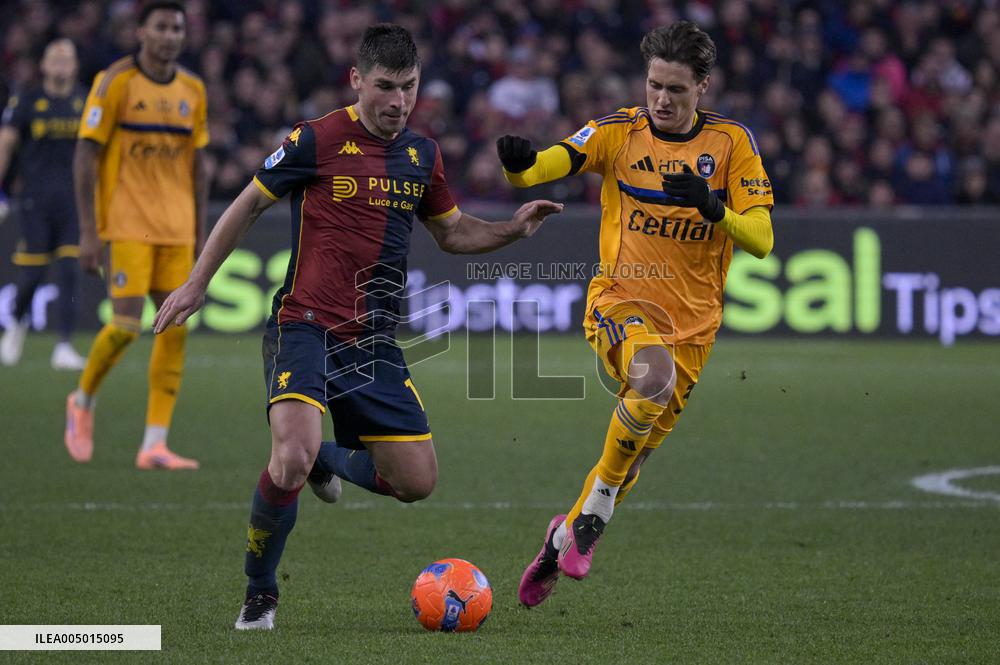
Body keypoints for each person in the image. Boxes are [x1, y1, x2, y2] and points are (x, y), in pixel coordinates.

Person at [152, 23, 562, 631]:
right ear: (357, 81)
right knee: (288, 456)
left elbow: (451, 232)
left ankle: (330, 461)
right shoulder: (314, 139)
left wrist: (513, 228)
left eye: (410, 87)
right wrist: (196, 282)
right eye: (386, 87)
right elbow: (247, 204)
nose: (399, 102)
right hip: (305, 324)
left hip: (373, 341)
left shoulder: (423, 155)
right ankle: (261, 594)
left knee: (416, 483)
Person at [497, 21, 775, 607]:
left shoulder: (731, 145)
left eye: (677, 89)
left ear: (703, 86)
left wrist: (713, 207)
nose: (663, 100)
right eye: (655, 85)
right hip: (620, 300)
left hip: (695, 327)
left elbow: (762, 239)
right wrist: (519, 165)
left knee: (638, 450)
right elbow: (548, 164)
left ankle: (561, 537)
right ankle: (591, 524)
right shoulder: (618, 132)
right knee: (652, 377)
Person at [65, 1, 207, 470]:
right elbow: (86, 155)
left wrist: (201, 234)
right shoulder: (116, 82)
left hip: (177, 226)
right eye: (161, 27)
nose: (170, 36)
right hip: (127, 222)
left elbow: (198, 164)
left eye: (177, 29)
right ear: (141, 32)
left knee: (174, 329)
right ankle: (82, 401)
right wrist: (89, 230)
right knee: (125, 326)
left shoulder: (193, 89)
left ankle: (154, 443)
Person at [0, 39, 87, 370]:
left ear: (75, 65)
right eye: (56, 59)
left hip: (73, 201)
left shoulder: (85, 100)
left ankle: (63, 346)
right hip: (35, 200)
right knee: (33, 274)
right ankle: (17, 323)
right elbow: (6, 144)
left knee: (69, 270)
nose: (62, 65)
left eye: (68, 59)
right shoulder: (27, 99)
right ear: (45, 65)